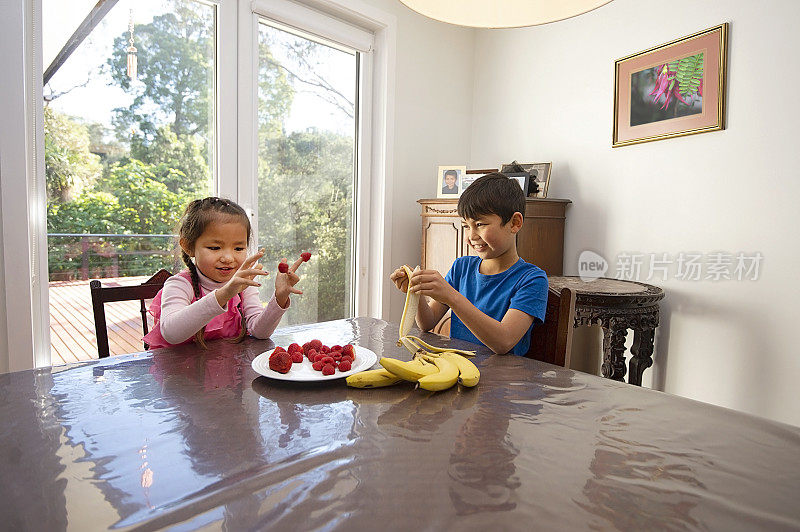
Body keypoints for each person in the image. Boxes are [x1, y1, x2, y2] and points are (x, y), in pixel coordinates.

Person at [391, 173, 547, 355]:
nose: (471, 236)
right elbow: (427, 323)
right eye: (466, 226)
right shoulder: (461, 267)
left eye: (480, 224)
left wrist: (452, 297)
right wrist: (414, 290)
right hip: (457, 369)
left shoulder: (532, 279)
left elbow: (504, 342)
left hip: (503, 378)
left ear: (514, 223)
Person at [143, 197, 304, 349]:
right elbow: (171, 333)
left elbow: (260, 332)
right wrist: (226, 293)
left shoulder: (244, 286)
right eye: (215, 248)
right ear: (188, 246)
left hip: (225, 371)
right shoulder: (180, 285)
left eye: (239, 248)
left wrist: (280, 297)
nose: (228, 258)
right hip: (178, 374)